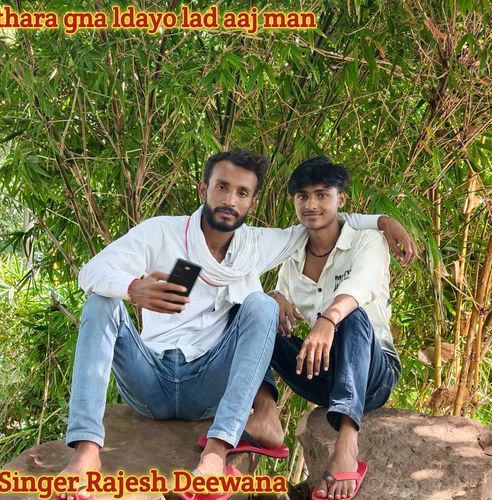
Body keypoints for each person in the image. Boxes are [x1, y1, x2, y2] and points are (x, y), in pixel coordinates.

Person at [56, 150, 415, 500]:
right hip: (149, 378)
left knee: (265, 305)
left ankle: (218, 453)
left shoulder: (256, 244)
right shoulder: (160, 233)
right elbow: (91, 272)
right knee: (101, 300)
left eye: (242, 193)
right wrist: (133, 288)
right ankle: (86, 452)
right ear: (203, 189)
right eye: (222, 187)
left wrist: (382, 221)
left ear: (252, 203)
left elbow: (329, 224)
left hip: (213, 385)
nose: (230, 200)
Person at [268, 157, 407, 500]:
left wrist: (328, 319)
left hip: (373, 373)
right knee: (255, 314)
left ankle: (346, 444)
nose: (311, 204)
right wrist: (274, 298)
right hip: (322, 376)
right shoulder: (291, 256)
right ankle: (263, 412)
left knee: (349, 313)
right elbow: (279, 303)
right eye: (302, 196)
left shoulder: (368, 240)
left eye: (321, 194)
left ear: (340, 198)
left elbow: (360, 288)